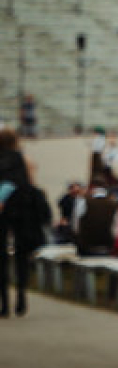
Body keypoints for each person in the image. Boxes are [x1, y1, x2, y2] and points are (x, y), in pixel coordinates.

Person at [0, 127, 47, 317]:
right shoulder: (24, 160)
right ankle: (21, 296)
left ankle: (4, 303)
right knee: (21, 255)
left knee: (1, 256)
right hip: (22, 210)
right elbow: (32, 186)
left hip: (2, 210)